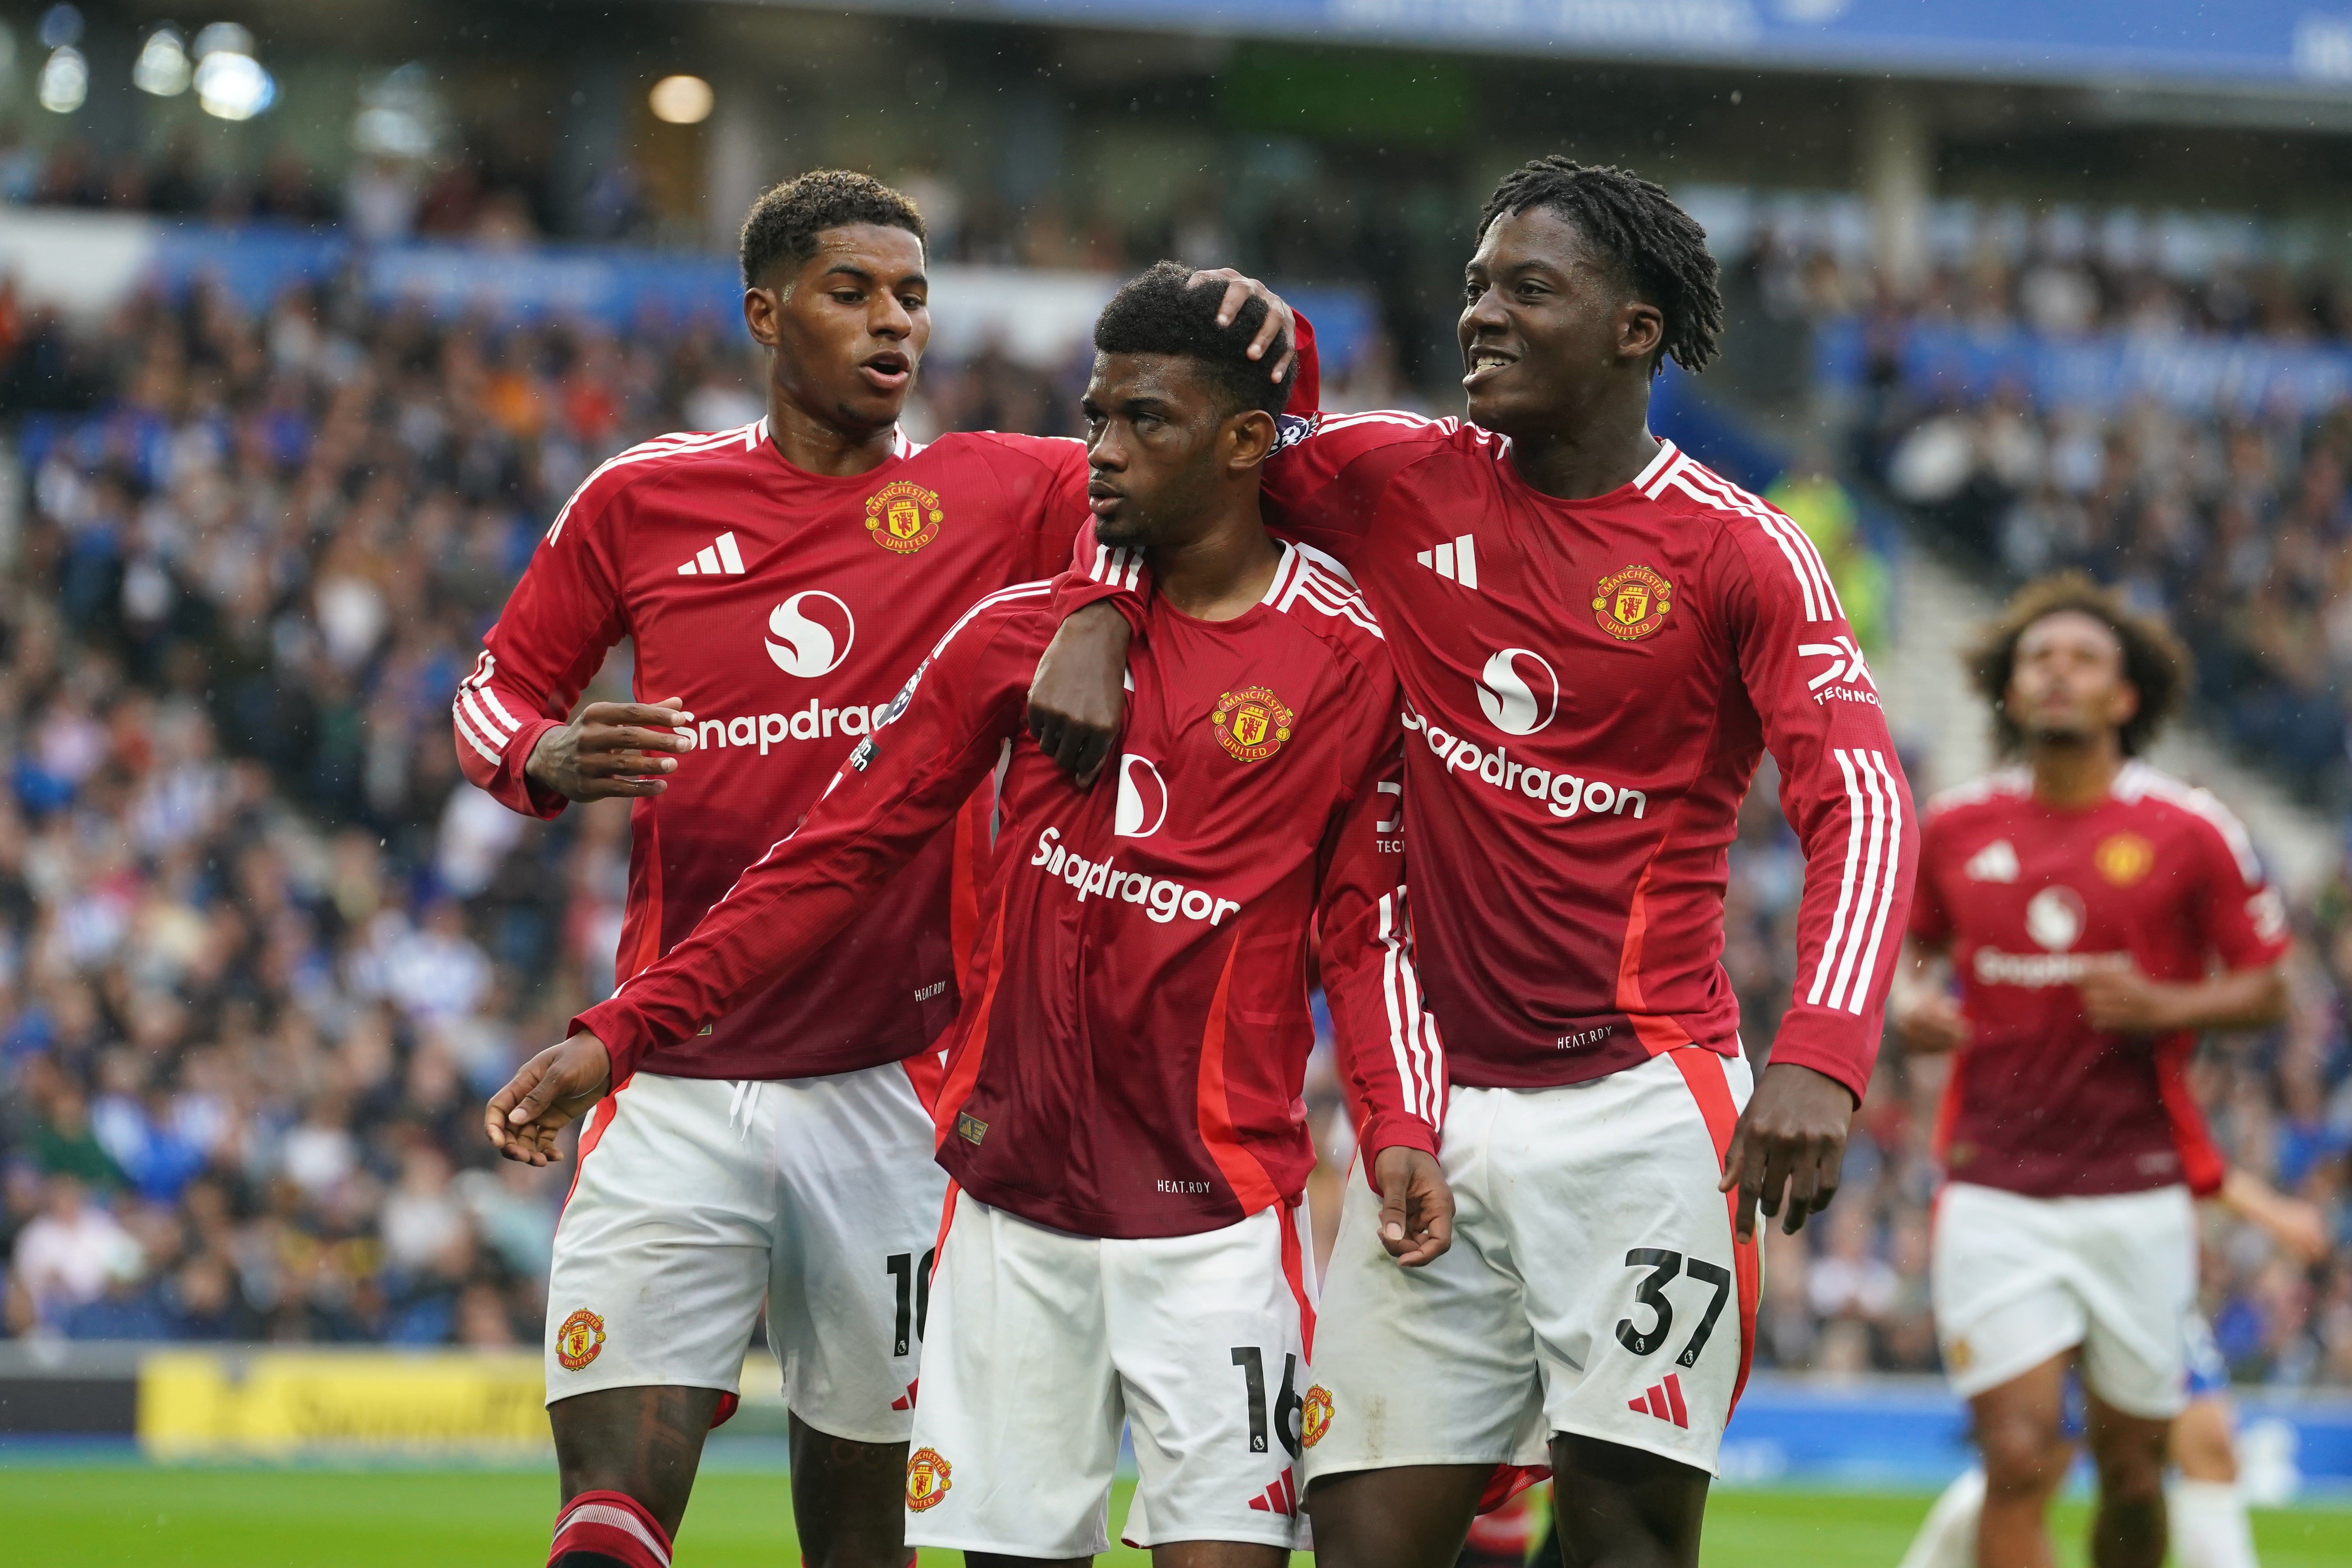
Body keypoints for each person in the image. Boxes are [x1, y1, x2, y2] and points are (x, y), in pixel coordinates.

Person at [490, 263, 1453, 1568]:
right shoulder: (1012, 637)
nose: (1099, 452)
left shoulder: (1347, 661)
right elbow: (829, 856)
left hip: (1214, 1220)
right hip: (1007, 1213)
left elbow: (1368, 926)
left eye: (1139, 424)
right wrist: (621, 1029)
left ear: (1239, 443)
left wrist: (1396, 1124)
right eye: (1094, 417)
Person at [1029, 157, 1917, 1568]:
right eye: (1472, 288)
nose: (1479, 317)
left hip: (1638, 1117)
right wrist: (1096, 603)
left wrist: (1818, 1048)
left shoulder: (1739, 554)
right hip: (1426, 1123)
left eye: (1527, 289)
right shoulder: (1390, 478)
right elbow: (1175, 460)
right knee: (1360, 1541)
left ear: (1634, 329)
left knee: (1623, 1536)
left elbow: (1860, 802)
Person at [1890, 572, 2292, 1568]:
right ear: (2009, 689)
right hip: (1992, 1187)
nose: (2054, 673)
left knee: (2129, 1464)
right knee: (2017, 1452)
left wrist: (2169, 1004)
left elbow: (2268, 987)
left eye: (2079, 660)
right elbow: (1904, 951)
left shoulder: (2187, 827)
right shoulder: (1952, 827)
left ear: (2124, 696)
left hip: (2136, 1192)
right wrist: (1906, 1002)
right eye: (2036, 659)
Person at [1893, 1168, 2330, 1568]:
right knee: (2030, 1465)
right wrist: (2271, 1213)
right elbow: (2182, 1144)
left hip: (2138, 1262)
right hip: (2055, 1249)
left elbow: (2178, 1136)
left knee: (2207, 1444)